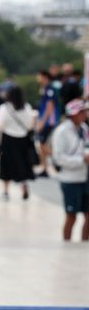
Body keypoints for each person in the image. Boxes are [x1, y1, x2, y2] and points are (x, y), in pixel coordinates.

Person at [51, 99, 89, 242]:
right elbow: (58, 158)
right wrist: (81, 160)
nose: (85, 115)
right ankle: (67, 244)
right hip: (70, 178)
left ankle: (84, 243)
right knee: (71, 215)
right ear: (73, 114)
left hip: (85, 176)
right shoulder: (62, 132)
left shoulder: (84, 129)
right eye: (82, 112)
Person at [0, 86, 36, 200]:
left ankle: (6, 191)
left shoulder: (4, 108)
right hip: (23, 139)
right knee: (22, 163)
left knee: (6, 165)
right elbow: (30, 124)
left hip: (8, 139)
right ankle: (23, 185)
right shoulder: (27, 107)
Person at [36, 70, 59, 177]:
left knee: (43, 144)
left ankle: (58, 158)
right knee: (42, 144)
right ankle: (44, 167)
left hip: (48, 121)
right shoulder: (45, 89)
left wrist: (42, 122)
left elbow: (49, 107)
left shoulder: (49, 89)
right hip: (45, 120)